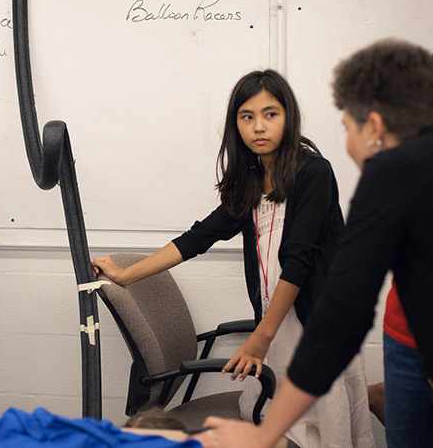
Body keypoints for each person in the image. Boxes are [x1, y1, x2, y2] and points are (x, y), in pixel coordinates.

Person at [92, 70, 373, 447]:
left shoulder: (313, 172)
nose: (259, 126)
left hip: (317, 324)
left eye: (270, 114)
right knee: (288, 421)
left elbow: (298, 261)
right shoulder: (251, 183)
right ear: (235, 124)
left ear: (289, 118)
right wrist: (127, 275)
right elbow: (197, 239)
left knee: (322, 426)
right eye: (247, 116)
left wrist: (261, 337)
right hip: (278, 322)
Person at [195, 39, 433, 448]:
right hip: (404, 337)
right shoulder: (389, 187)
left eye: (346, 128)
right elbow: (344, 309)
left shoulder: (329, 175)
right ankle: (378, 398)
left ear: (373, 127)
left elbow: (331, 299)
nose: (344, 143)